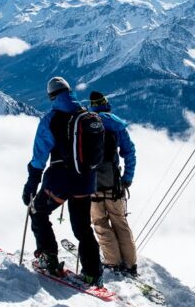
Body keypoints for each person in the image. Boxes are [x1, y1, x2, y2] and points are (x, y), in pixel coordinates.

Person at [22, 77, 104, 285]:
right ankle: (93, 272)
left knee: (38, 211)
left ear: (51, 96)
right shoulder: (86, 115)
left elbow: (39, 157)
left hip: (60, 180)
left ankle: (48, 257)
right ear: (69, 91)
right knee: (83, 227)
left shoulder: (51, 119)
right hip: (86, 180)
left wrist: (31, 184)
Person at [87, 91, 139, 275]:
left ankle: (112, 262)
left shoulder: (87, 124)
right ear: (106, 105)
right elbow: (129, 153)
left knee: (100, 223)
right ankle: (130, 264)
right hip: (115, 185)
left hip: (92, 186)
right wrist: (127, 178)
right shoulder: (117, 126)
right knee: (120, 223)